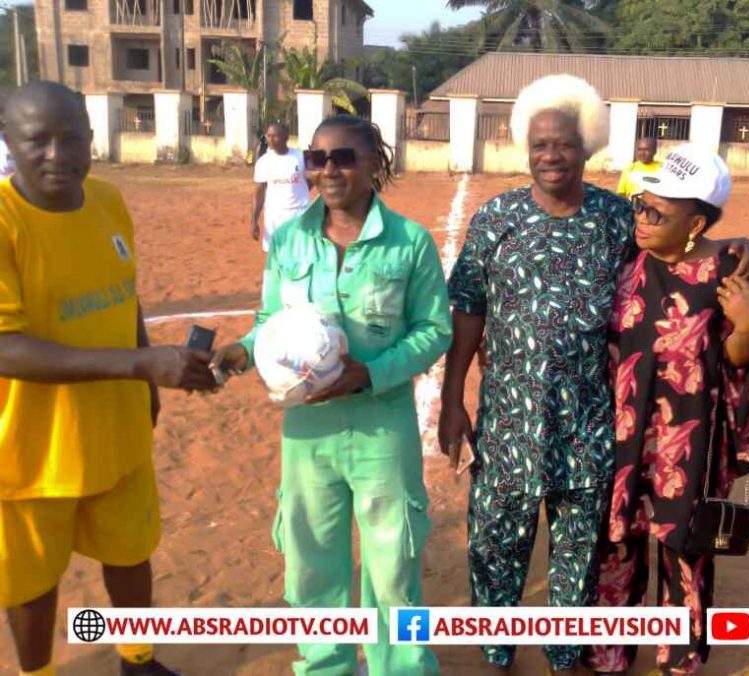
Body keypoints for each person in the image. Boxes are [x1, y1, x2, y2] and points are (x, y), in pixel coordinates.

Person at [441, 74, 749, 675]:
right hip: (511, 419)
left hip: (592, 425)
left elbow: (678, 248)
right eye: (539, 145)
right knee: (495, 544)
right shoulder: (496, 218)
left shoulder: (618, 218)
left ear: (586, 148)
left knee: (577, 553)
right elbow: (469, 312)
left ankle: (565, 653)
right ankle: (496, 648)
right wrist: (455, 398)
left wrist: (734, 242)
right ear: (525, 150)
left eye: (563, 144)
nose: (551, 155)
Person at [212, 114, 451, 676]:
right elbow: (271, 321)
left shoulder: (409, 242)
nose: (328, 170)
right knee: (314, 563)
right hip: (308, 432)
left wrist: (370, 372)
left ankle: (403, 667)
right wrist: (242, 353)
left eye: (344, 157)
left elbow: (434, 330)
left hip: (380, 427)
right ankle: (327, 667)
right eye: (317, 159)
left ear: (375, 163)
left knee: (395, 565)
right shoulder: (291, 239)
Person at [0, 81, 219, 676]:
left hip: (117, 430)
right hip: (31, 451)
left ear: (92, 140)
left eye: (71, 138)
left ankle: (137, 657)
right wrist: (140, 365)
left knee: (131, 552)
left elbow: (127, 299)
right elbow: (5, 348)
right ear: (8, 143)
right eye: (36, 140)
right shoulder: (3, 222)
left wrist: (146, 382)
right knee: (32, 580)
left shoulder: (107, 200)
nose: (56, 154)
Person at [588, 146, 749, 676]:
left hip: (684, 445)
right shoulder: (623, 254)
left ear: (694, 222)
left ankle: (679, 660)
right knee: (615, 550)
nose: (641, 218)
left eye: (656, 213)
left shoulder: (724, 273)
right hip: (619, 438)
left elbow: (738, 364)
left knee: (685, 557)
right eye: (640, 205)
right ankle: (609, 655)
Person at [251, 122, 311, 252]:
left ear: (286, 137)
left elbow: (310, 181)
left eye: (275, 136)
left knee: (300, 252)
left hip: (299, 214)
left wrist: (299, 195)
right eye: (269, 136)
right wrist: (254, 220)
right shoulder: (263, 162)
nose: (271, 140)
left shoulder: (300, 158)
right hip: (274, 216)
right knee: (275, 254)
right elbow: (259, 192)